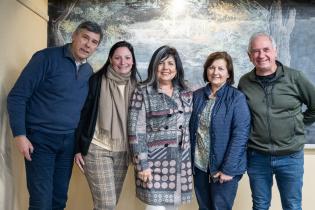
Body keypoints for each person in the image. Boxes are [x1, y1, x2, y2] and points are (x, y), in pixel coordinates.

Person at [7, 21, 103, 210]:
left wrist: (77, 146)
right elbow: (17, 96)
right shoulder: (45, 58)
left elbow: (82, 112)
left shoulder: (87, 71)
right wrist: (20, 135)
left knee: (59, 201)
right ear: (74, 36)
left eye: (94, 42)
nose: (88, 45)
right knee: (41, 202)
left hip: (67, 142)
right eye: (85, 37)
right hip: (40, 140)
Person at [238, 32, 315, 210]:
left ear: (275, 51)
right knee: (260, 205)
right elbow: (241, 118)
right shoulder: (244, 82)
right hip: (257, 156)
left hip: (291, 156)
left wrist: (298, 125)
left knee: (292, 205)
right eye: (256, 51)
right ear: (249, 56)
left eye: (266, 49)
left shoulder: (295, 78)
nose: (261, 55)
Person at [74, 41, 139, 210]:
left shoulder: (138, 87)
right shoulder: (96, 81)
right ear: (110, 59)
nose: (122, 62)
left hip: (123, 151)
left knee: (109, 204)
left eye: (127, 58)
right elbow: (81, 114)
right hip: (96, 148)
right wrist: (77, 148)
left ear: (133, 61)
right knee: (106, 204)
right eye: (117, 58)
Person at [128, 46, 193, 210]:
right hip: (153, 164)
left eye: (171, 63)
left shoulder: (185, 92)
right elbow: (136, 131)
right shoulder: (142, 92)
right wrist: (142, 165)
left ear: (177, 68)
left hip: (180, 163)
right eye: (161, 63)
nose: (166, 68)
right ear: (154, 66)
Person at [189, 51, 250, 210]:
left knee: (220, 207)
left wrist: (228, 169)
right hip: (200, 165)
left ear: (228, 73)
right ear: (206, 71)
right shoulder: (196, 96)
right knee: (204, 207)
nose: (215, 72)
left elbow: (241, 135)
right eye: (211, 67)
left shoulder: (237, 98)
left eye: (221, 69)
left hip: (225, 167)